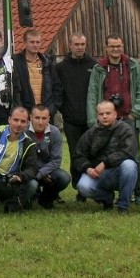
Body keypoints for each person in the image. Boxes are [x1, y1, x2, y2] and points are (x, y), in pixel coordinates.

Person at [86, 33, 140, 205]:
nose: (116, 49)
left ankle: (138, 192)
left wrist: (135, 113)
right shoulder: (99, 68)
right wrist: (94, 121)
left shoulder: (133, 65)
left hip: (128, 118)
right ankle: (110, 191)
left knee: (134, 157)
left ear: (123, 46)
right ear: (106, 48)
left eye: (119, 46)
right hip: (105, 121)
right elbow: (92, 95)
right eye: (112, 46)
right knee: (106, 155)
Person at [75, 101, 138, 214]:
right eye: (101, 114)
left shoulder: (126, 130)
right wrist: (87, 168)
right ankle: (107, 199)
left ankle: (123, 206)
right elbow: (78, 156)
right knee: (83, 187)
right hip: (98, 174)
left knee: (130, 165)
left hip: (118, 173)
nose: (104, 116)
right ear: (97, 116)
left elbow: (128, 152)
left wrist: (105, 163)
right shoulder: (90, 133)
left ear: (115, 114)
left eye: (108, 113)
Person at [55, 32, 97, 191]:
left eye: (82, 44)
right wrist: (64, 109)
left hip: (91, 119)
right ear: (70, 45)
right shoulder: (61, 67)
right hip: (71, 120)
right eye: (76, 44)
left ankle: (90, 186)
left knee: (91, 153)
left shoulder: (94, 66)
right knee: (76, 154)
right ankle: (79, 186)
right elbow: (57, 91)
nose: (80, 47)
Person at [25, 105, 71, 209]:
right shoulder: (24, 131)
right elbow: (22, 159)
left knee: (64, 178)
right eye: (37, 118)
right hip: (28, 170)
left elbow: (56, 160)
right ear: (30, 117)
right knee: (32, 185)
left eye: (44, 118)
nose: (40, 122)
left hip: (47, 170)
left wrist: (42, 172)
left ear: (49, 118)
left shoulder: (55, 133)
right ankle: (26, 198)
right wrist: (37, 173)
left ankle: (45, 199)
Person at [12, 29, 61, 118]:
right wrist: (20, 111)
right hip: (25, 113)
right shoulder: (15, 62)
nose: (35, 45)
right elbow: (16, 90)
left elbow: (57, 87)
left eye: (38, 42)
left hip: (46, 113)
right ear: (25, 42)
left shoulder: (47, 62)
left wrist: (52, 109)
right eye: (32, 42)